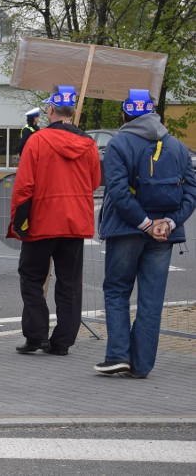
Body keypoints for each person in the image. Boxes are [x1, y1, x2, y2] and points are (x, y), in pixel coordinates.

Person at [95, 89, 196, 378]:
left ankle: (117, 356)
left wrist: (144, 223)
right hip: (164, 234)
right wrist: (169, 222)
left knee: (116, 291)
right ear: (154, 113)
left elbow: (115, 189)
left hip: (126, 229)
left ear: (125, 114)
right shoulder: (176, 145)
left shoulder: (119, 143)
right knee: (151, 299)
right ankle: (141, 365)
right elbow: (191, 190)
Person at [8, 85, 101, 356]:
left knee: (32, 278)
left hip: (42, 222)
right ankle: (62, 342)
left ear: (50, 110)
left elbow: (24, 186)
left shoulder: (37, 141)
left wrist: (18, 222)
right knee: (69, 282)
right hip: (74, 223)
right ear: (71, 112)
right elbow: (94, 181)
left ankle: (36, 336)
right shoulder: (88, 143)